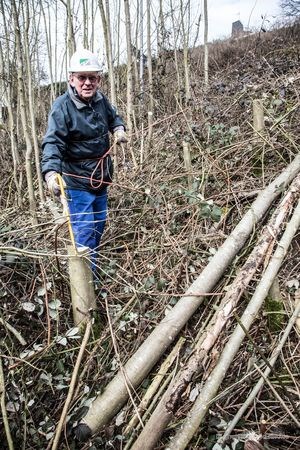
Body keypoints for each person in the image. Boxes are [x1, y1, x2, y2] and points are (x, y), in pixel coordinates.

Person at [41, 48, 127, 272]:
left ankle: (92, 269)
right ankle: (88, 285)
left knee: (98, 227)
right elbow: (53, 142)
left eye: (92, 77)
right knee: (84, 232)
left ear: (98, 79)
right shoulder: (62, 107)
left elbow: (113, 117)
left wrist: (118, 128)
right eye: (82, 77)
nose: (87, 83)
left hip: (101, 178)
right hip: (77, 182)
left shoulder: (100, 100)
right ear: (71, 79)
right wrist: (50, 174)